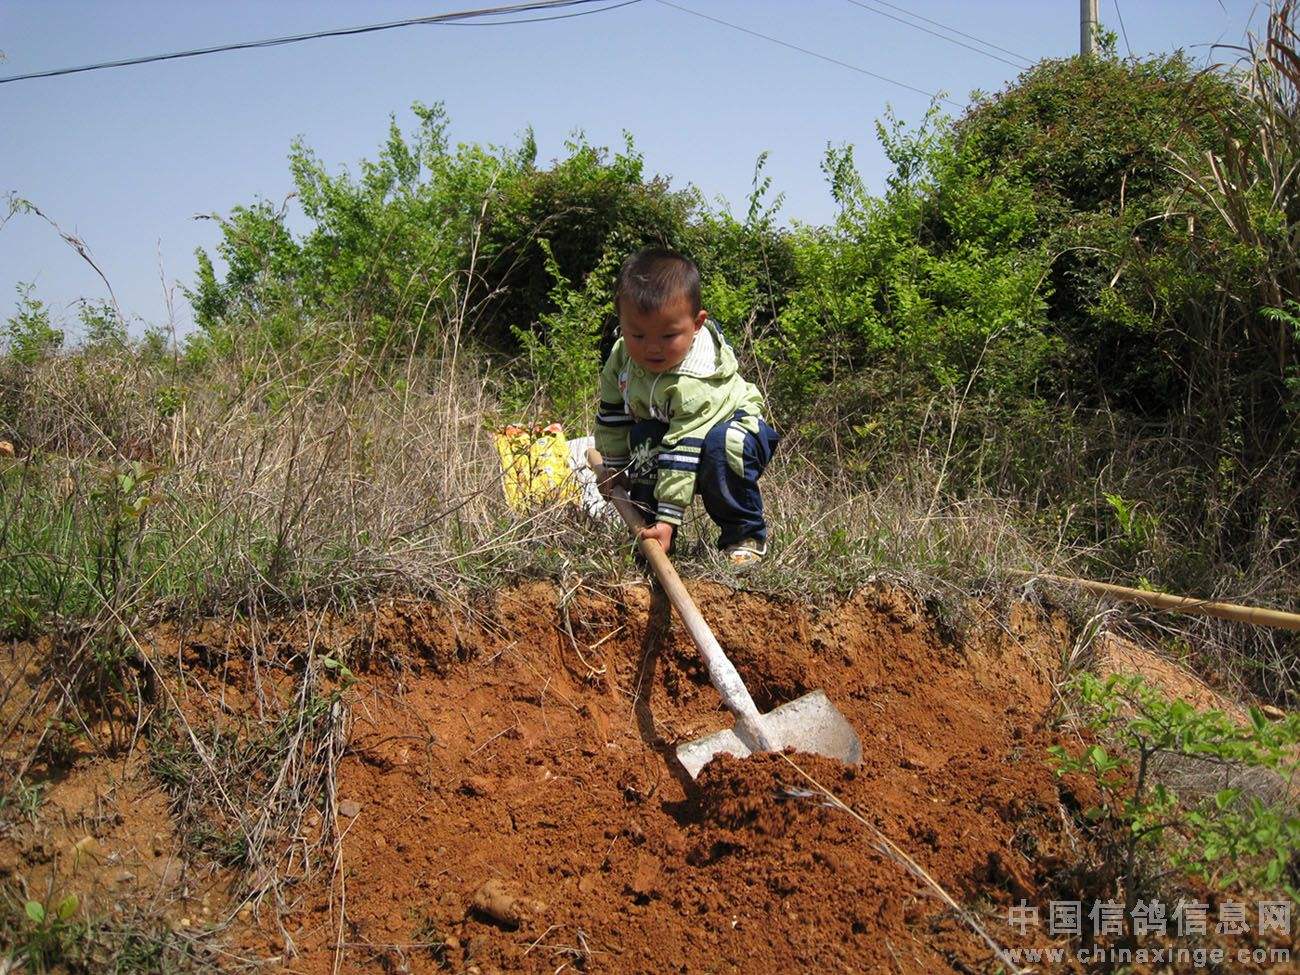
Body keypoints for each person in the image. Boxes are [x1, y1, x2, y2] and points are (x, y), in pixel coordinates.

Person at [594, 247, 779, 567]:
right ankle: (651, 534)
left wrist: (671, 516)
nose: (652, 348)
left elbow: (683, 449)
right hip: (673, 431)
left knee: (723, 446)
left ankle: (744, 534)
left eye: (668, 336)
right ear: (621, 324)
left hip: (731, 428)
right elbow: (612, 413)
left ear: (696, 324)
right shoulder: (622, 355)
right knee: (645, 438)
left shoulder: (694, 380)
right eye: (637, 334)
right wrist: (616, 469)